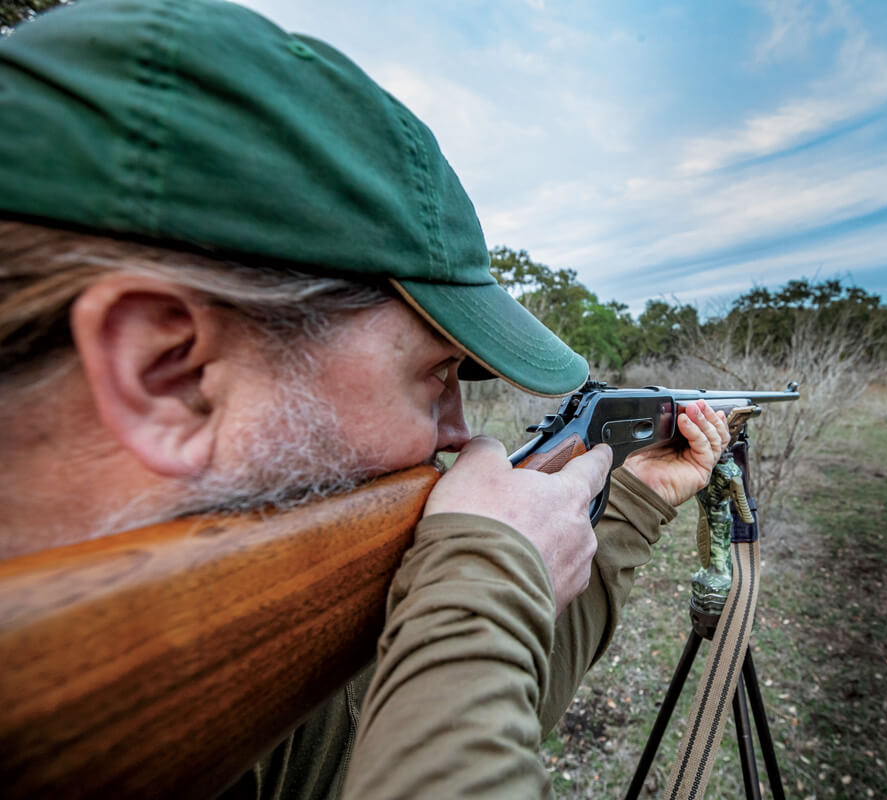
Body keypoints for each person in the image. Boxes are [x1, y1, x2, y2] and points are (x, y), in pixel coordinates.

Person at [0, 1, 730, 797]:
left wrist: (624, 506)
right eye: (436, 373)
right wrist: (483, 581)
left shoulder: (207, 659)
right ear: (171, 373)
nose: (461, 437)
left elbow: (422, 725)